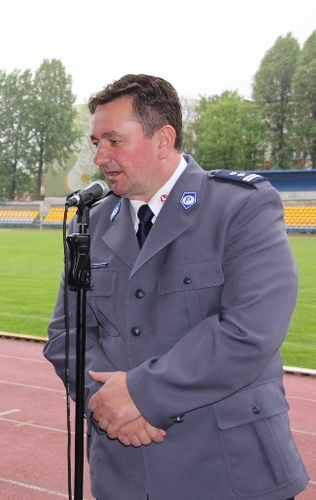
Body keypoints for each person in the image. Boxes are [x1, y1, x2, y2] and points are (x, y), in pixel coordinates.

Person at [43, 74, 309, 499]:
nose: (100, 156)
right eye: (96, 142)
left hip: (229, 470)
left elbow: (249, 331)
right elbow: (66, 335)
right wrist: (108, 402)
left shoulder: (240, 206)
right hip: (127, 472)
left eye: (114, 141)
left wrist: (141, 395)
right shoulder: (90, 223)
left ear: (163, 139)